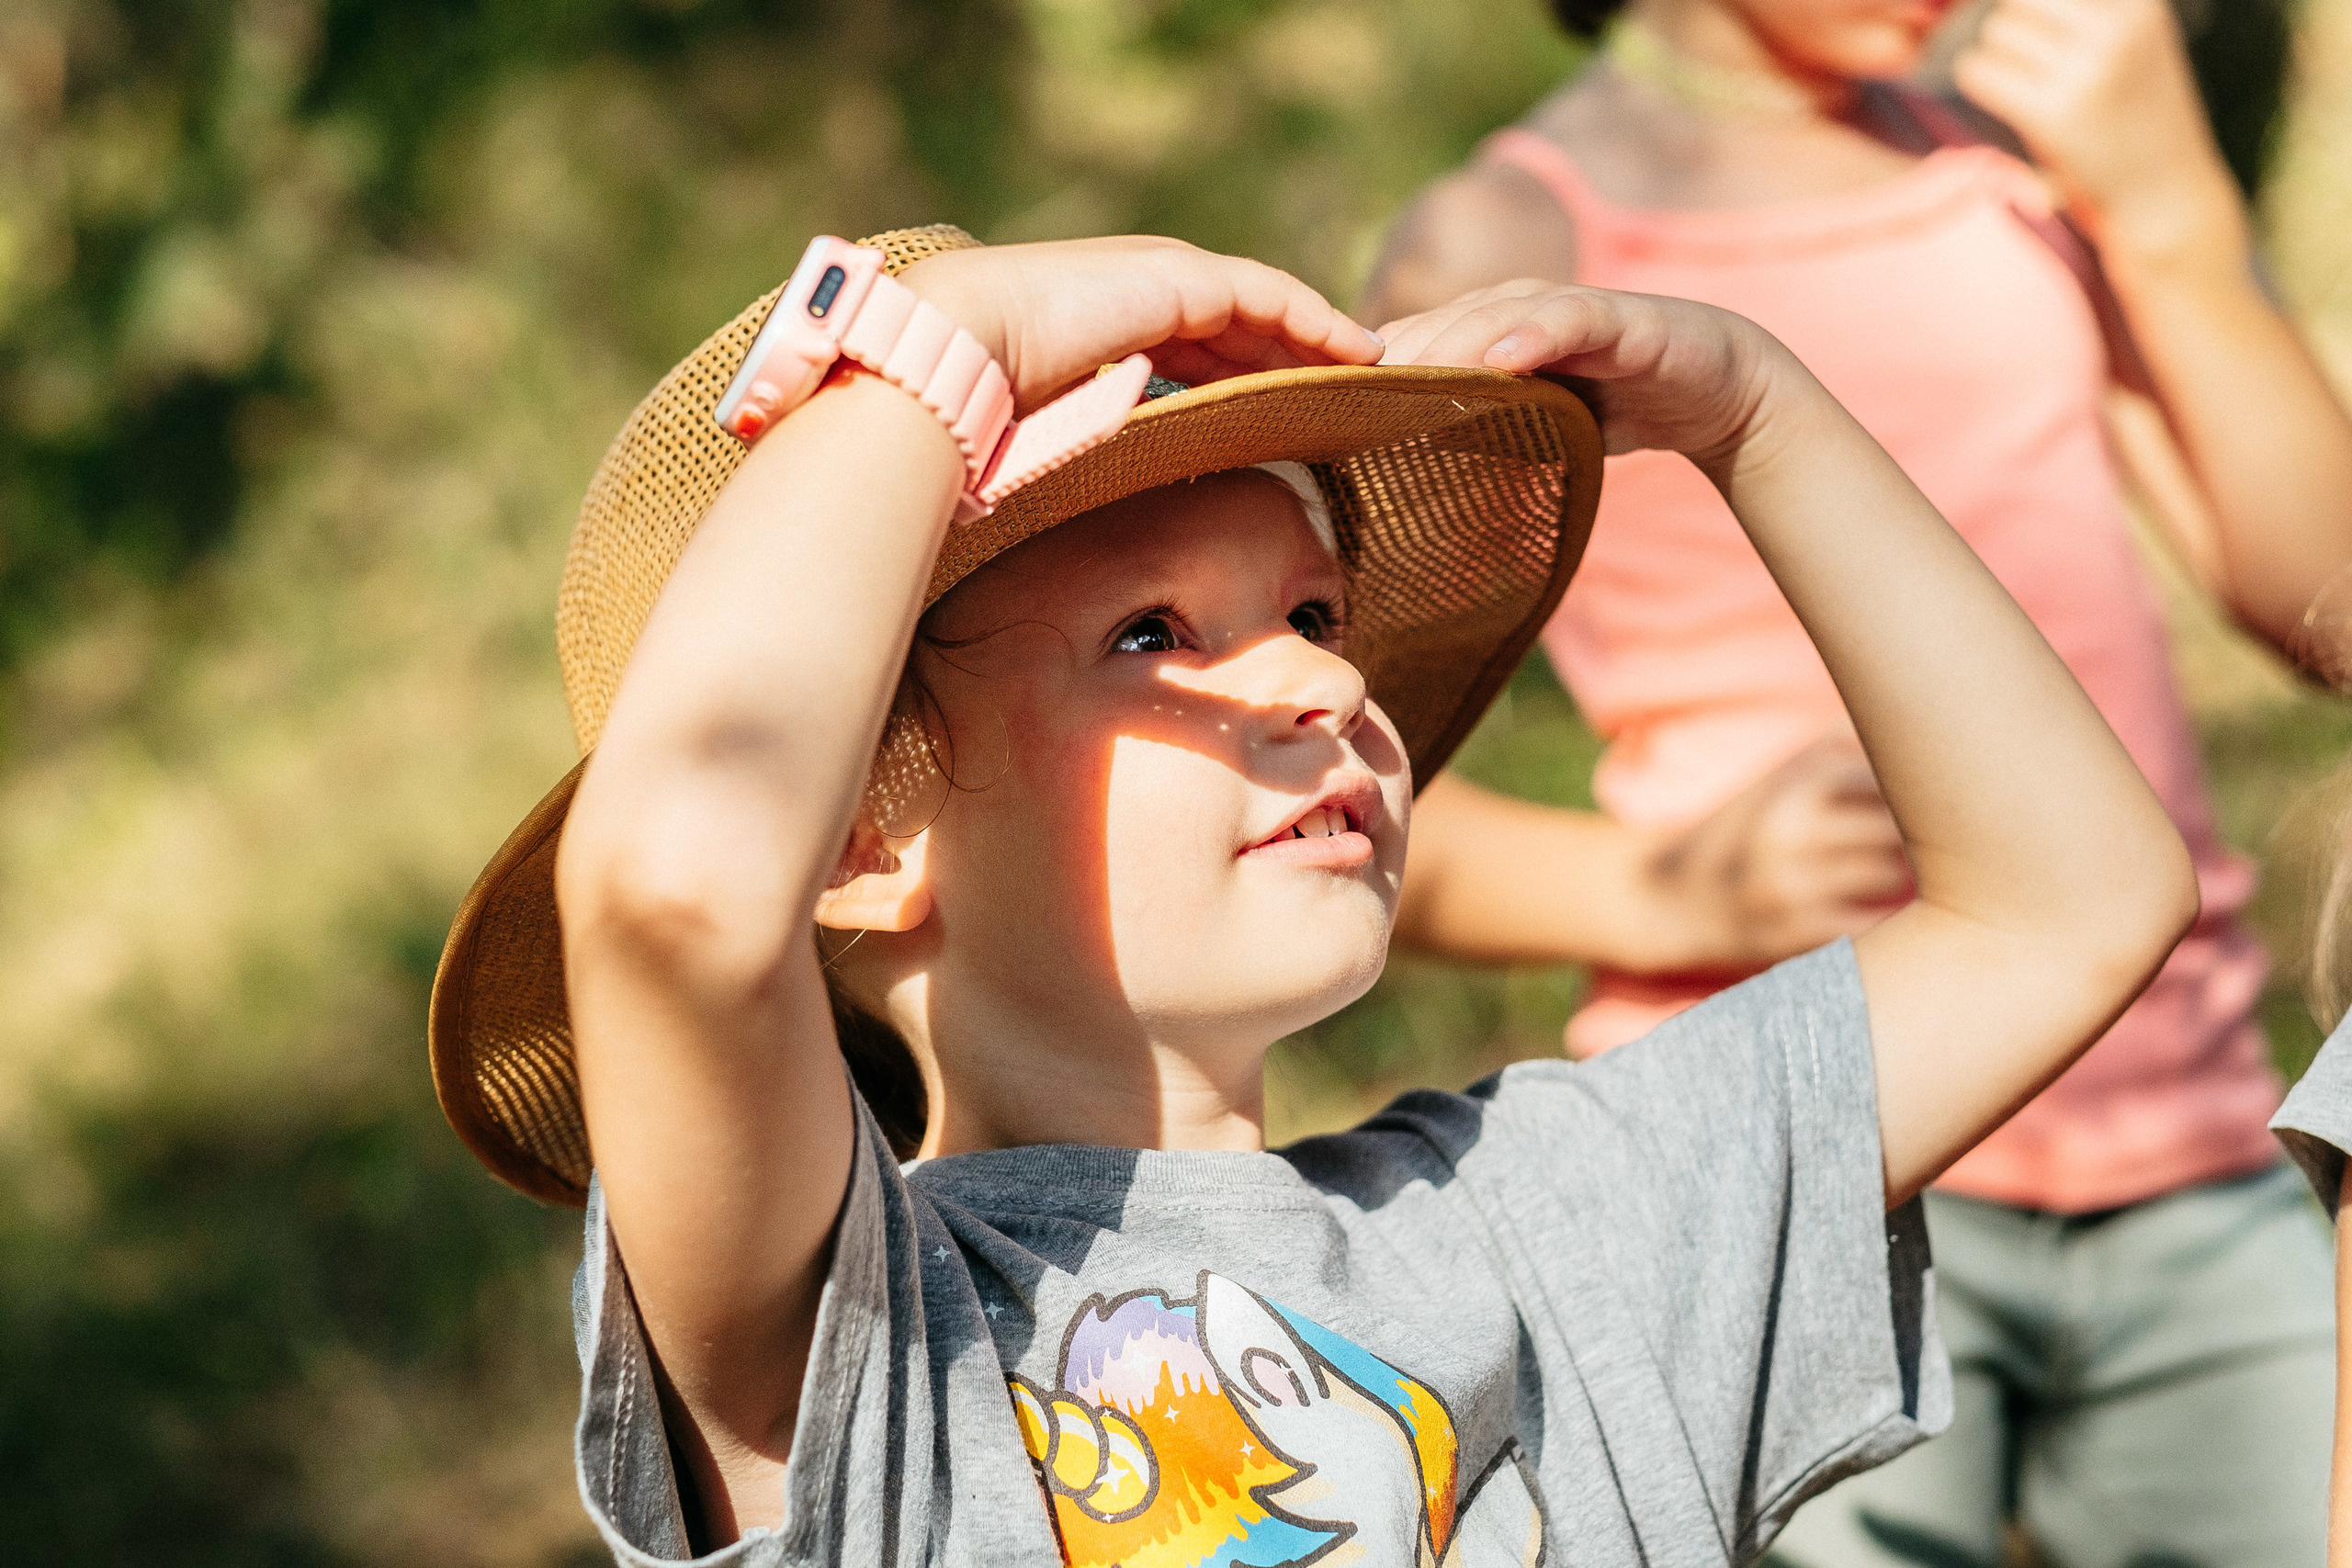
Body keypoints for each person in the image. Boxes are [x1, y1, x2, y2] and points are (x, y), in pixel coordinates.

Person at [425, 223, 2194, 1566]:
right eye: (1152, 634)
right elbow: (674, 895)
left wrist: (1760, 417)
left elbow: (2073, 905)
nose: (1326, 684)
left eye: (1317, 613)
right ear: (860, 841)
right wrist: (943, 346)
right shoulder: (861, 1335)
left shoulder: (1543, 1222)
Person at [1363, 1, 2352, 1563]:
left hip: (2196, 1128)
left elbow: (2328, 605)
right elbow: (1327, 772)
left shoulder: (2012, 174)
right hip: (1816, 1157)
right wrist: (1649, 891)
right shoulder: (1510, 242)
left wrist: (2175, 217)